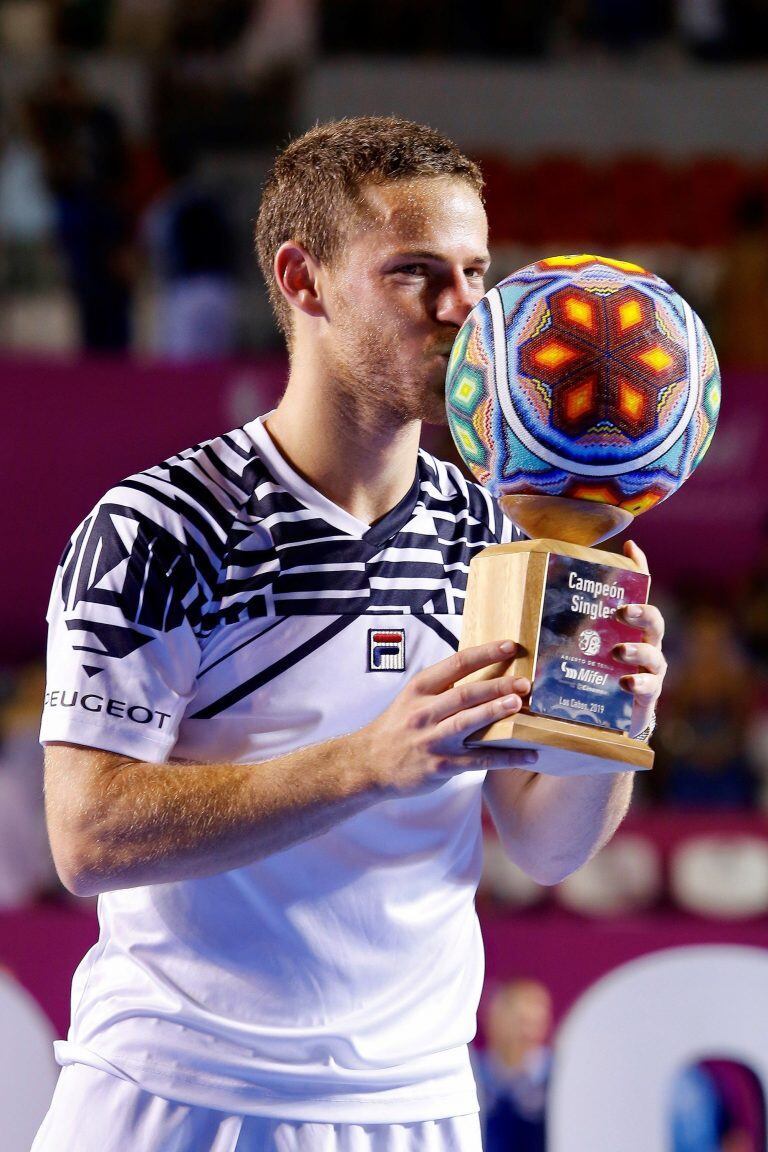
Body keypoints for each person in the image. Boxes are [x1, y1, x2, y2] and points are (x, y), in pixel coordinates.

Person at [33, 116, 666, 1152]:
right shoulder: (160, 527)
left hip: (416, 1107)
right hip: (175, 1096)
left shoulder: (499, 530)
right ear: (304, 279)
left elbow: (548, 845)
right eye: (417, 272)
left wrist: (612, 727)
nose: (465, 309)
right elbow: (89, 839)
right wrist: (368, 764)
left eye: (475, 271)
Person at [476, 979, 553, 1152]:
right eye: (521, 1022)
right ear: (493, 1018)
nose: (528, 1033)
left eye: (536, 1023)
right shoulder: (473, 1075)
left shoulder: (556, 1077)